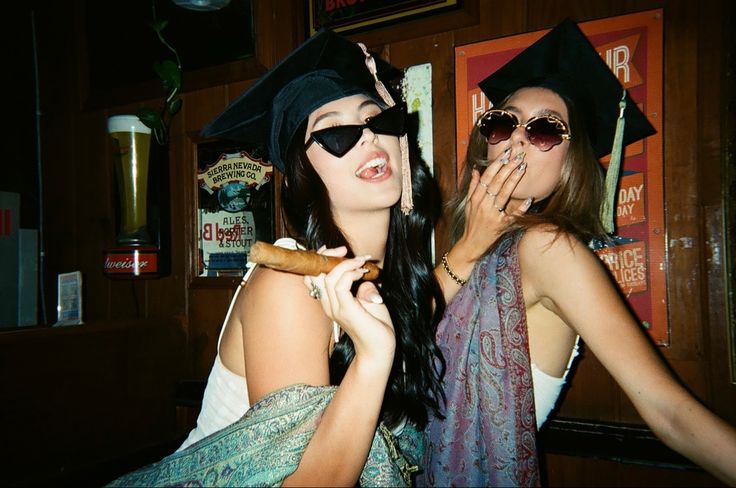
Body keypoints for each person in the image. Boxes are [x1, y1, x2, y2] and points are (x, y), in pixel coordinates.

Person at [108, 28, 446, 487]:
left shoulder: (397, 280)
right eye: (335, 131)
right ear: (300, 173)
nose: (368, 137)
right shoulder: (289, 286)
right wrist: (373, 356)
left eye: (377, 119)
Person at [421, 19, 736, 487]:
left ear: (570, 164)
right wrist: (468, 247)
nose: (519, 138)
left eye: (546, 129)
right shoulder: (471, 249)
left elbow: (668, 412)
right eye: (504, 121)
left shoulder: (548, 248)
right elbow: (405, 337)